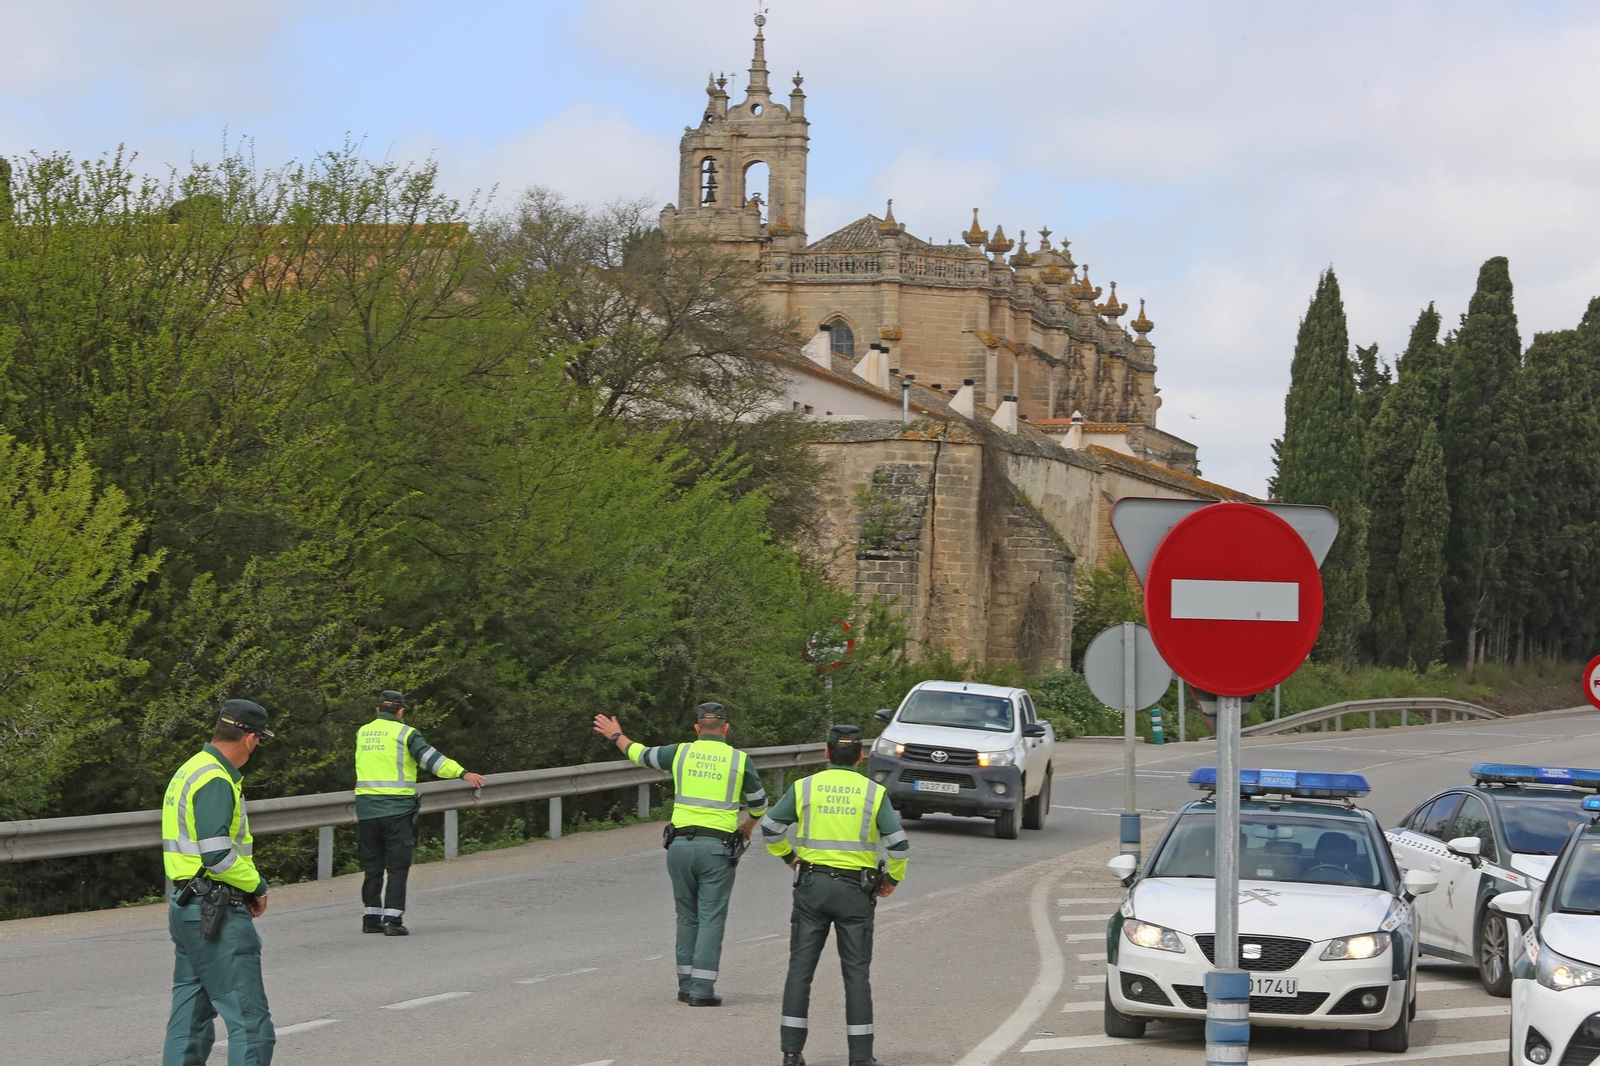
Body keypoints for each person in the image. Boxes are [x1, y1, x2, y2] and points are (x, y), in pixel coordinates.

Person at [592, 702, 768, 1006]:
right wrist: (748, 827)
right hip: (717, 849)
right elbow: (760, 803)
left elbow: (639, 753)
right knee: (710, 917)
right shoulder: (739, 760)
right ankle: (701, 990)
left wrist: (616, 734)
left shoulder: (681, 752)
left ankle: (685, 985)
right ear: (726, 729)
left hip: (679, 847)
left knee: (686, 917)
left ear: (697, 729)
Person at [761, 724, 911, 1066]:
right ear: (860, 756)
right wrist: (891, 880)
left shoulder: (805, 788)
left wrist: (789, 857)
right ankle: (860, 1057)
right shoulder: (874, 794)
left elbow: (770, 828)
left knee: (800, 969)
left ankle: (791, 1053)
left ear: (827, 753)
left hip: (812, 887)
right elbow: (900, 847)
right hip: (855, 892)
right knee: (856, 974)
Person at [161, 699, 277, 1066]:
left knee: (190, 1026)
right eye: (259, 740)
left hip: (188, 908)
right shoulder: (215, 778)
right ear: (250, 738)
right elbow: (217, 854)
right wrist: (257, 885)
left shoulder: (190, 769)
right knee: (251, 1026)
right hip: (217, 911)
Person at [354, 690, 486, 935]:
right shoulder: (405, 733)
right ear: (401, 711)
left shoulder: (363, 732)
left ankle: (371, 917)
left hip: (366, 811)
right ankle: (392, 921)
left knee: (372, 865)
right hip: (397, 810)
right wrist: (463, 773)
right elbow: (432, 760)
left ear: (377, 710)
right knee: (397, 865)